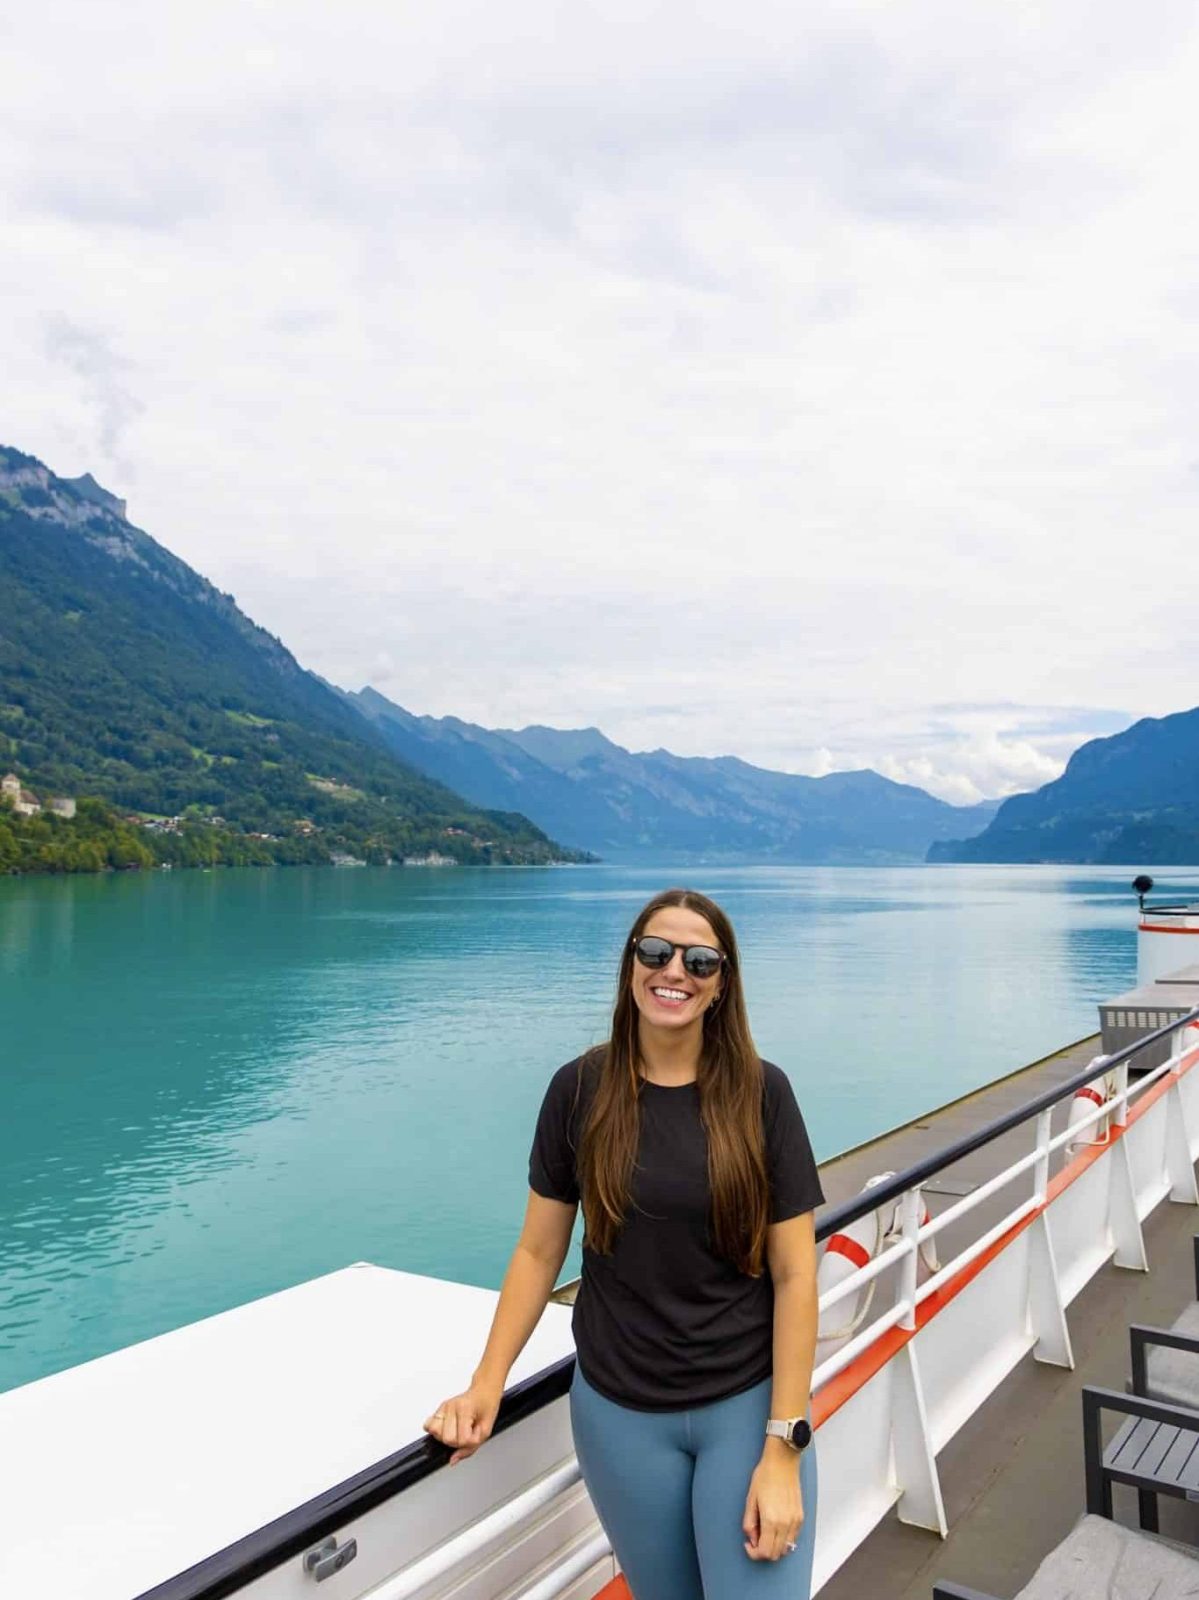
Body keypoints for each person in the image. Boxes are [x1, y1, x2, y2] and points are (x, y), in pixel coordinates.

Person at [423, 887, 823, 1599]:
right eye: (654, 951)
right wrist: (487, 1383)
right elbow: (538, 1252)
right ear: (629, 963)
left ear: (720, 986)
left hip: (743, 1399)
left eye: (699, 960)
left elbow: (795, 1275)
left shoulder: (762, 1094)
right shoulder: (578, 1090)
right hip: (619, 1415)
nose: (674, 970)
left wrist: (783, 1447)